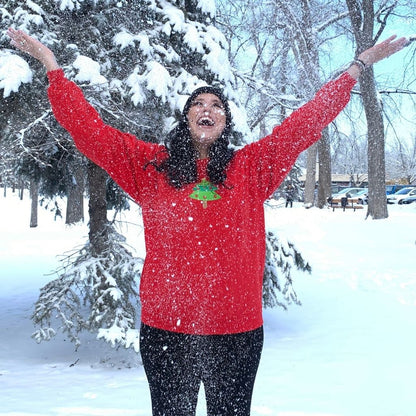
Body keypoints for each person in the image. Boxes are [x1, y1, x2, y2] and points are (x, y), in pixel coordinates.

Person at [7, 27, 407, 416]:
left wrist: (355, 68)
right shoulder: (151, 167)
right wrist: (51, 66)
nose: (207, 109)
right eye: (198, 104)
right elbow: (89, 131)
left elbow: (303, 126)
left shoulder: (250, 168)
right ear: (186, 118)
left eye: (216, 105)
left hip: (236, 332)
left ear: (225, 122)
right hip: (167, 331)